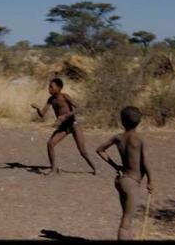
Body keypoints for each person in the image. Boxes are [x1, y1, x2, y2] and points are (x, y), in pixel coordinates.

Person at [96, 106, 153, 240]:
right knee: (125, 225)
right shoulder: (140, 139)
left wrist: (116, 166)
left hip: (121, 180)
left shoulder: (118, 137)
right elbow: (145, 162)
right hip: (132, 183)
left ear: (122, 121)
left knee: (127, 216)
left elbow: (99, 150)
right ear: (139, 121)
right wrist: (151, 180)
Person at [31, 78, 97, 175]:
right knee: (50, 144)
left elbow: (79, 108)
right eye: (49, 87)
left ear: (59, 88)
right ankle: (53, 169)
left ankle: (95, 168)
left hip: (73, 125)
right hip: (64, 127)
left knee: (82, 151)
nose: (49, 89)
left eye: (51, 87)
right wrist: (37, 108)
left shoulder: (65, 97)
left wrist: (66, 116)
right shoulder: (51, 100)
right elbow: (42, 114)